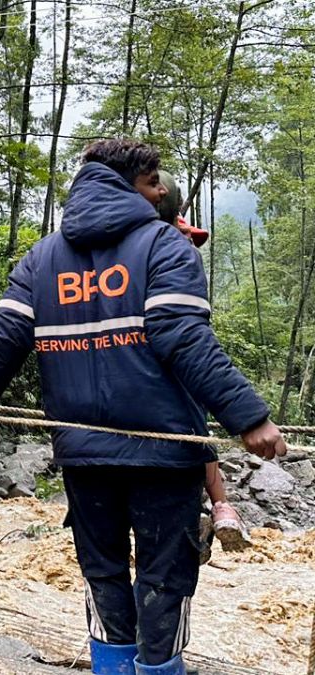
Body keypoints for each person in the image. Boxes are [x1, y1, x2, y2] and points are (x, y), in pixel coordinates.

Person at [0, 139, 286, 675]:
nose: (162, 191)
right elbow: (184, 340)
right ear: (131, 185)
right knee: (165, 578)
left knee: (101, 573)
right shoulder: (166, 248)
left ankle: (112, 669)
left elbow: (4, 340)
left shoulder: (41, 258)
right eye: (153, 183)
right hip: (163, 454)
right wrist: (250, 418)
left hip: (83, 455)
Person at [157, 170, 249, 553]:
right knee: (198, 434)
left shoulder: (164, 257)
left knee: (197, 434)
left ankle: (214, 508)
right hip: (173, 373)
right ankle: (220, 506)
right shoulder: (175, 256)